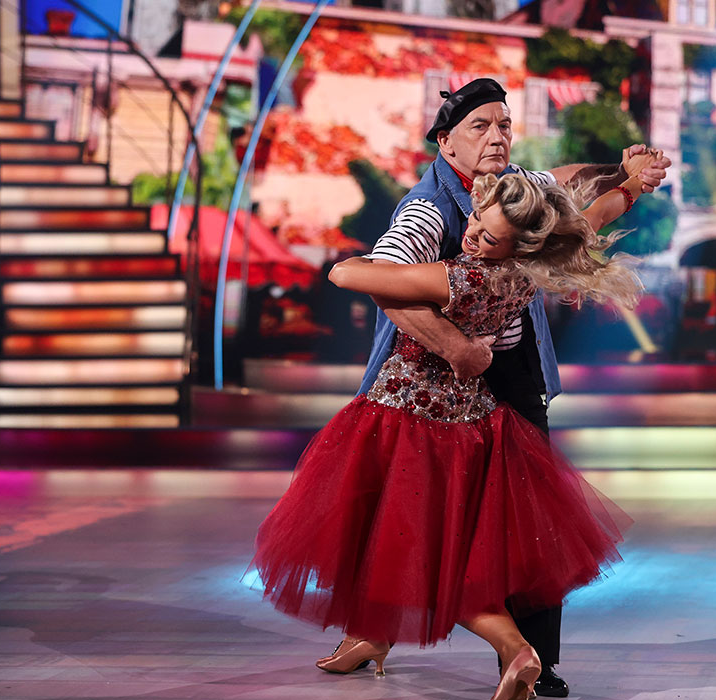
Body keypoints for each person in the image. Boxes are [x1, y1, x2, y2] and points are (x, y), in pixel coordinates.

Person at [251, 156, 657, 700]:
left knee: (417, 555)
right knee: (391, 539)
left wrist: (377, 267)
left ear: (515, 246)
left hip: (408, 420)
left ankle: (517, 650)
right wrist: (631, 185)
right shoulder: (527, 270)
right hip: (468, 420)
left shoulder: (461, 278)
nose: (472, 236)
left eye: (489, 237)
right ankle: (372, 635)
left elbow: (344, 273)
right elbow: (596, 215)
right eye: (476, 220)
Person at [336, 77, 671, 697]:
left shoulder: (510, 191)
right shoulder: (426, 210)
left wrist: (621, 176)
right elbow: (387, 281)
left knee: (518, 518)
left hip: (503, 380)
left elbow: (562, 184)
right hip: (435, 383)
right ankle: (377, 630)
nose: (498, 137)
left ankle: (529, 659)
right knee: (406, 510)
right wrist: (457, 348)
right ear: (445, 142)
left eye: (504, 124)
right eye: (481, 126)